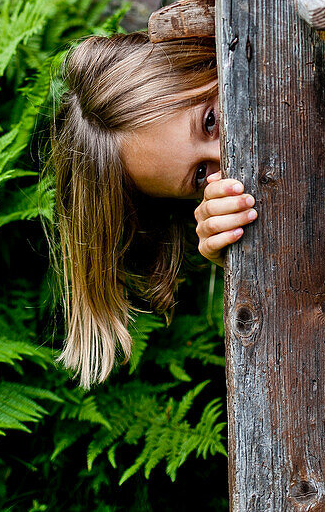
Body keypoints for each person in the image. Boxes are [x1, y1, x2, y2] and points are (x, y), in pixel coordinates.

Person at [50, 31, 257, 388]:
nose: (226, 160)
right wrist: (248, 255)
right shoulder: (237, 207)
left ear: (199, 60)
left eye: (211, 122)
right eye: (201, 176)